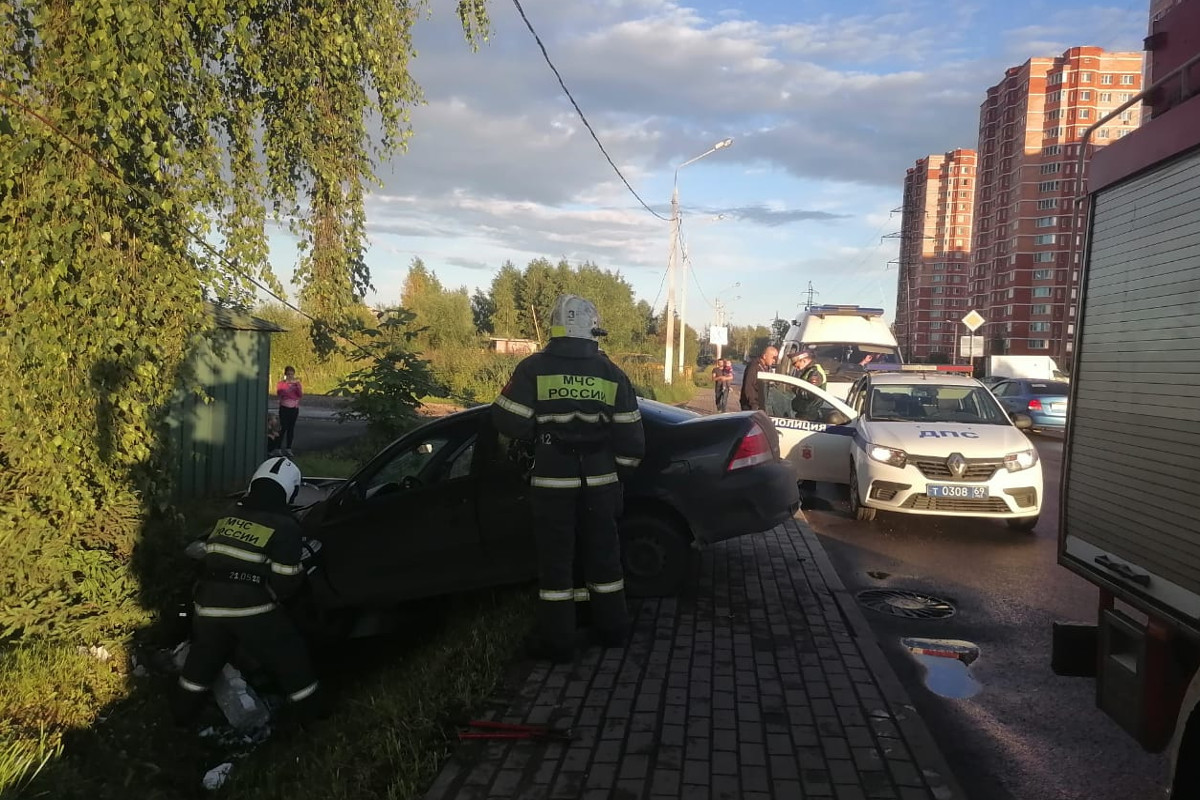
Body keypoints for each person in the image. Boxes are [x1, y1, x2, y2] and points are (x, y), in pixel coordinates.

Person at [492, 295, 645, 663]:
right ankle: (612, 629)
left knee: (556, 564)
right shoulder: (612, 373)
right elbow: (632, 440)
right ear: (593, 331)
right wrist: (618, 473)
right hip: (601, 483)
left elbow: (507, 420)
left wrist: (539, 432)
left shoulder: (533, 368)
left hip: (551, 485)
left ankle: (559, 642)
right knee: (605, 559)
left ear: (556, 329)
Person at [171, 457, 321, 727]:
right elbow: (286, 583)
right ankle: (312, 720)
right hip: (252, 608)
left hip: (207, 606)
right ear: (290, 490)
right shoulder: (285, 525)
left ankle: (181, 716)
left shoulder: (229, 514)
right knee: (291, 656)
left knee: (202, 661)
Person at [739, 346, 778, 411]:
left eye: (776, 359)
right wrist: (754, 406)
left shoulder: (765, 367)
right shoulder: (754, 366)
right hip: (751, 407)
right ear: (764, 356)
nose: (774, 361)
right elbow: (749, 387)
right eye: (773, 358)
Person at [276, 366, 302, 457]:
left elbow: (300, 394)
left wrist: (297, 386)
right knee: (283, 428)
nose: (290, 376)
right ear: (285, 374)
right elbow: (280, 393)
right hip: (284, 407)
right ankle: (278, 448)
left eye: (292, 374)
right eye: (288, 374)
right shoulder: (281, 383)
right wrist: (287, 386)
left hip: (294, 408)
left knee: (291, 428)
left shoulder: (296, 384)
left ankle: (288, 448)